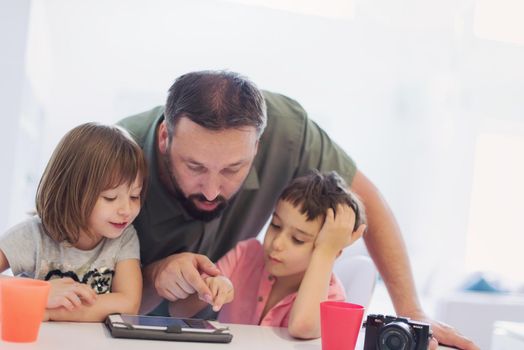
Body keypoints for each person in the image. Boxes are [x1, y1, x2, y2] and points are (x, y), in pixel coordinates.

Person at [118, 70, 478, 349]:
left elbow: (369, 203)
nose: (212, 190)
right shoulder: (114, 153)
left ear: (259, 147)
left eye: (232, 169)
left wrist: (413, 314)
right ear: (165, 137)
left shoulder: (288, 131)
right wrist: (156, 275)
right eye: (194, 167)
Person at [169, 170, 367, 339]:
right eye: (275, 225)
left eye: (298, 239)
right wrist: (208, 291)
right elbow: (177, 310)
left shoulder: (332, 296)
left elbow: (302, 326)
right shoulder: (246, 255)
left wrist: (325, 253)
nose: (277, 243)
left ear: (332, 251)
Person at [0, 122, 148, 322]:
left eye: (134, 196)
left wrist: (50, 312)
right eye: (110, 198)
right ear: (72, 192)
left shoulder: (124, 238)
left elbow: (129, 304)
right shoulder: (34, 235)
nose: (126, 210)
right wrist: (38, 293)